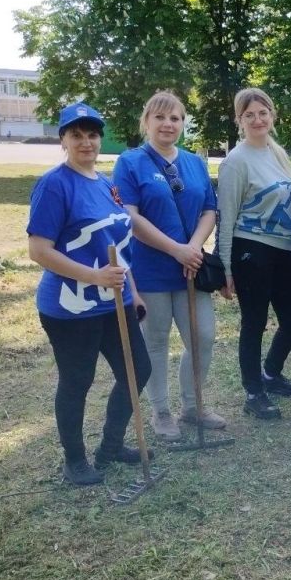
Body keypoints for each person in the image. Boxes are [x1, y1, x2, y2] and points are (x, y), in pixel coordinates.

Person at [28, 102, 153, 486]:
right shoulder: (55, 184)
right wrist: (95, 276)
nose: (86, 142)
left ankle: (111, 446)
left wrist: (132, 291)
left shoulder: (105, 183)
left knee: (138, 370)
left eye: (92, 134)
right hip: (69, 307)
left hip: (113, 301)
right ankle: (75, 461)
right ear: (63, 139)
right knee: (77, 381)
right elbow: (39, 250)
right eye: (76, 135)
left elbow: (118, 245)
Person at [112, 91, 225, 442]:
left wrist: (192, 248)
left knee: (202, 336)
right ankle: (161, 411)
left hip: (191, 268)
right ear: (146, 121)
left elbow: (210, 209)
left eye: (175, 118)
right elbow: (129, 216)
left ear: (182, 123)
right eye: (160, 117)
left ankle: (193, 406)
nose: (168, 124)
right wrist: (175, 249)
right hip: (150, 269)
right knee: (156, 342)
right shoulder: (130, 162)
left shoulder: (194, 162)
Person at [216, 88, 291, 420]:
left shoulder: (278, 153)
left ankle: (271, 372)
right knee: (254, 323)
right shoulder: (236, 161)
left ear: (272, 115)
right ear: (239, 120)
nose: (257, 119)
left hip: (282, 251)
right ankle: (254, 392)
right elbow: (225, 216)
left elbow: (290, 207)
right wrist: (225, 267)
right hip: (250, 249)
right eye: (249, 114)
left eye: (263, 113)